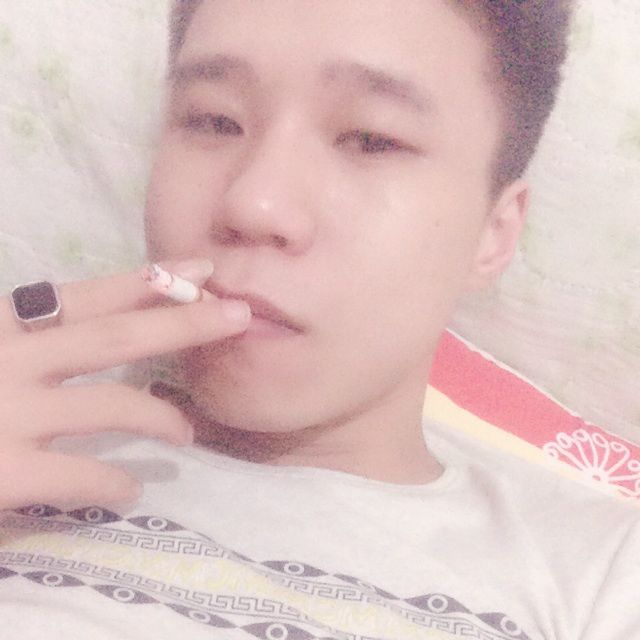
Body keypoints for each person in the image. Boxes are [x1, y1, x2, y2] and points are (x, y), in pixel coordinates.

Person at [0, 1, 638, 638]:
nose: (254, 205)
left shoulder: (601, 572)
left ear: (493, 236)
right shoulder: (29, 433)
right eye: (215, 121)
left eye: (371, 140)